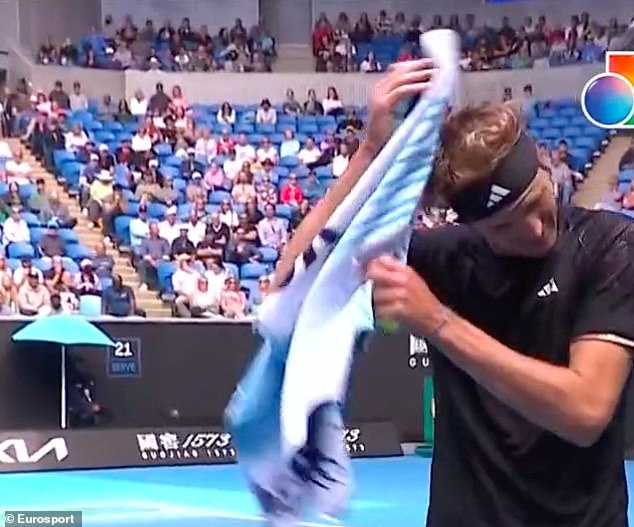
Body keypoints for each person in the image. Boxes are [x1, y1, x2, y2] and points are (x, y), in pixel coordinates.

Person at [281, 59, 634, 527]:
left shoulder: (609, 245)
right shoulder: (445, 258)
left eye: (536, 199)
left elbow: (584, 411)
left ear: (546, 166)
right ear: (470, 226)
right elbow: (292, 280)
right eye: (505, 225)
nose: (533, 228)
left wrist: (438, 323)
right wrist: (369, 153)